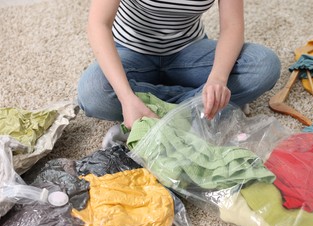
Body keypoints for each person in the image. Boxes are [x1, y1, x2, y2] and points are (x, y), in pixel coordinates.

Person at [77, 0, 281, 129]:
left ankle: (151, 118)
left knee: (264, 65)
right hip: (130, 50)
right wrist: (126, 97)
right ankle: (200, 106)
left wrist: (218, 78)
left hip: (188, 50)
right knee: (93, 93)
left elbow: (232, 26)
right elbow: (98, 24)